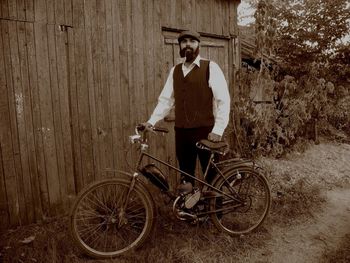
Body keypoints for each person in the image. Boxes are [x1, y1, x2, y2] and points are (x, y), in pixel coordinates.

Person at [143, 30, 230, 189]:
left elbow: (223, 100)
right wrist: (151, 121)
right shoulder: (175, 71)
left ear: (198, 45)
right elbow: (166, 100)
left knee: (211, 175)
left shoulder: (210, 67)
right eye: (184, 42)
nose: (188, 44)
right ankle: (189, 211)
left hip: (206, 131)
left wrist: (218, 129)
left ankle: (215, 213)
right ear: (180, 46)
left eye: (192, 41)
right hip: (182, 132)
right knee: (185, 174)